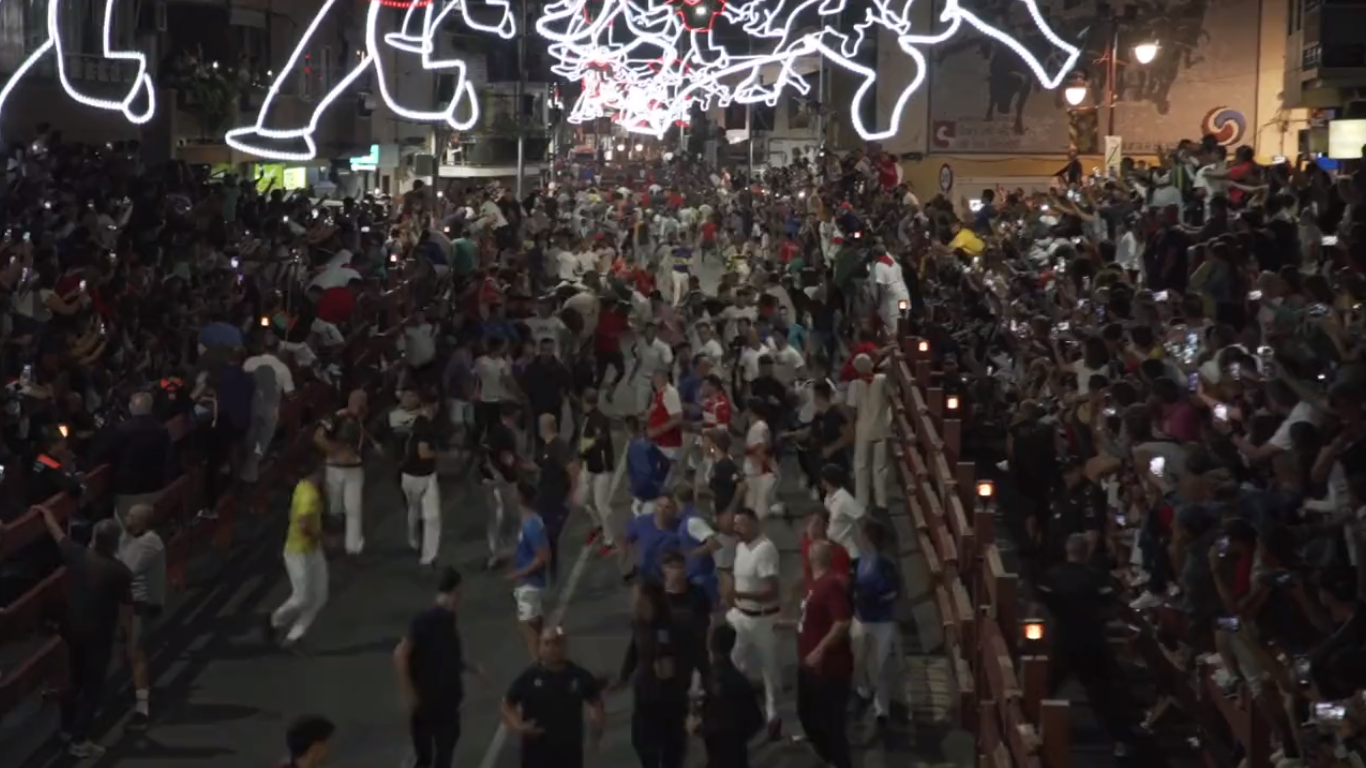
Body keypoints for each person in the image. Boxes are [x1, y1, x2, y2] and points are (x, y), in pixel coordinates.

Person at [39, 506, 130, 758]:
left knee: (74, 681)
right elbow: (125, 607)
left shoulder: (77, 555)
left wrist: (46, 512)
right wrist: (125, 632)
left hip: (73, 630)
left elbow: (56, 533)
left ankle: (66, 728)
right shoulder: (120, 571)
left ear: (93, 538)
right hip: (98, 636)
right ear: (115, 544)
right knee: (92, 688)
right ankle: (79, 740)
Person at [394, 567, 483, 768]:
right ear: (456, 591)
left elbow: (444, 655)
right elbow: (401, 654)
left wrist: (471, 668)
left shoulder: (446, 619)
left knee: (436, 756)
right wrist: (408, 693)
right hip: (431, 702)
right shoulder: (428, 620)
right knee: (434, 757)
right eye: (462, 591)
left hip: (441, 702)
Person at [502, 628, 606, 768]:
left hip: (569, 753)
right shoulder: (529, 677)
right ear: (539, 647)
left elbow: (596, 703)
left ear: (565, 646)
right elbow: (508, 704)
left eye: (557, 643)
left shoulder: (579, 676)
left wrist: (596, 731)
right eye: (546, 643)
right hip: (536, 753)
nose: (552, 648)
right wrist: (519, 726)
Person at [617, 580, 690, 768]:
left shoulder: (675, 624)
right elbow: (634, 648)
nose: (634, 603)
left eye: (638, 599)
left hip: (670, 698)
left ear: (652, 599)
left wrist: (676, 671)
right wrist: (624, 676)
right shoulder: (638, 623)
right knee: (642, 743)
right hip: (645, 695)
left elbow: (690, 657)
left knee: (672, 747)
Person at [726, 507, 783, 739]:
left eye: (741, 524)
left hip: (763, 619)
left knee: (769, 669)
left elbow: (772, 590)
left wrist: (741, 595)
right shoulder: (740, 547)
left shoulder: (765, 549)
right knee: (732, 661)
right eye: (735, 524)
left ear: (754, 524)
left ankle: (773, 715)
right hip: (741, 616)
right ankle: (739, 706)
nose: (737, 528)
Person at [796, 540, 854, 768]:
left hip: (829, 668)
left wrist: (820, 650)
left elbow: (842, 621)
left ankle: (839, 762)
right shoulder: (813, 583)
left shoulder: (830, 585)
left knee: (832, 723)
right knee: (807, 714)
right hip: (809, 665)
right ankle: (828, 756)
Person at [265, 462, 329, 654]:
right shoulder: (310, 495)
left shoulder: (303, 486)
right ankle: (274, 621)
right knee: (302, 597)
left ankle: (294, 637)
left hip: (313, 550)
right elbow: (303, 524)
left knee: (319, 596)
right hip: (298, 552)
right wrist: (326, 539)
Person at [117, 503, 166, 732]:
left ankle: (142, 707)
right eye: (128, 515)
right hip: (125, 603)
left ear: (144, 522)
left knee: (136, 651)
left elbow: (127, 568)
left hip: (140, 605)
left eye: (133, 517)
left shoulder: (150, 542)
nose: (128, 520)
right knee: (126, 649)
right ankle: (131, 690)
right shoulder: (128, 539)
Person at [90, 391, 174, 517]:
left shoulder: (121, 431)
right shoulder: (161, 429)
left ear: (131, 408)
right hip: (156, 486)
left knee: (130, 529)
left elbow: (100, 454)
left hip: (129, 492)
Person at [850, 519, 899, 728]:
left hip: (881, 622)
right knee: (858, 663)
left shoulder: (886, 565)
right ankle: (863, 691)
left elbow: (894, 593)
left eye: (863, 536)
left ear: (869, 540)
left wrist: (873, 598)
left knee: (880, 666)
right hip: (861, 619)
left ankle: (881, 710)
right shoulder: (858, 563)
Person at [693, 624, 764, 768]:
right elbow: (756, 720)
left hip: (720, 755)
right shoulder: (739, 679)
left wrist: (698, 728)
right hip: (738, 753)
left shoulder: (714, 681)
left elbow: (719, 724)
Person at [506, 481, 551, 658]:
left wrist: (517, 574)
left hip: (530, 585)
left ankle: (538, 668)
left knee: (528, 630)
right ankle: (544, 664)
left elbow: (543, 557)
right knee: (535, 627)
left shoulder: (531, 524)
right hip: (530, 584)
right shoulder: (528, 520)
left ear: (520, 497)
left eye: (513, 492)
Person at [400, 390, 442, 567]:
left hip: (406, 475)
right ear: (433, 405)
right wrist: (441, 454)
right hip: (423, 476)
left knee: (413, 510)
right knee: (432, 517)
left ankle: (413, 540)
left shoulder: (411, 420)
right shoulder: (425, 424)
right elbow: (423, 452)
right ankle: (428, 556)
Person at [578, 389, 617, 555]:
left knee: (602, 505)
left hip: (601, 469)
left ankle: (610, 540)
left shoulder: (599, 420)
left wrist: (584, 451)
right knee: (581, 499)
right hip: (589, 466)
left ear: (586, 402)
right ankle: (597, 525)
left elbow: (597, 443)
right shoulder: (589, 419)